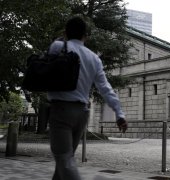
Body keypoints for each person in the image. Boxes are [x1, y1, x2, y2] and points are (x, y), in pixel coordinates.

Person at [47, 16, 128, 180]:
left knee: (64, 159)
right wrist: (119, 114)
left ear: (65, 32)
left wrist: (60, 40)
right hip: (82, 114)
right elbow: (106, 88)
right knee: (64, 162)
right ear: (86, 36)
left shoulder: (57, 46)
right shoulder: (94, 58)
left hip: (61, 110)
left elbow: (48, 65)